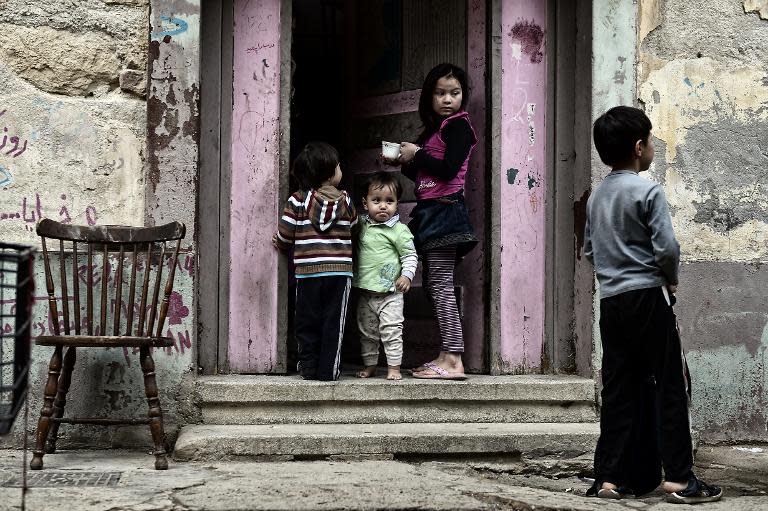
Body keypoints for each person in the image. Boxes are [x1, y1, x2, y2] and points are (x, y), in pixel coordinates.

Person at [584, 106, 722, 504]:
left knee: (619, 388)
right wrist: (670, 277)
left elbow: (590, 249)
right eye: (651, 142)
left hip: (612, 303)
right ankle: (679, 478)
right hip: (648, 297)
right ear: (639, 147)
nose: (653, 149)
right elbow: (667, 247)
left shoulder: (598, 196)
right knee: (670, 386)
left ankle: (610, 478)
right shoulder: (648, 191)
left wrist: (614, 274)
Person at [387, 62, 477, 381]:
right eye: (440, 93)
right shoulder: (437, 130)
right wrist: (403, 163)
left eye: (454, 93)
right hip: (432, 212)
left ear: (463, 96)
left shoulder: (459, 127)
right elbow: (426, 174)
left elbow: (449, 170)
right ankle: (445, 354)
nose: (447, 99)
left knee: (440, 286)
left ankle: (453, 359)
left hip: (446, 212)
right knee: (436, 285)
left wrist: (417, 154)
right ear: (429, 97)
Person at [272, 142, 357, 381]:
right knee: (334, 322)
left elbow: (285, 235)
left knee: (306, 321)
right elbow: (353, 225)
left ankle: (308, 367)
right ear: (330, 174)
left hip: (307, 273)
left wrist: (279, 242)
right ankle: (328, 370)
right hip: (339, 273)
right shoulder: (347, 201)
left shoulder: (297, 201)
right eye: (339, 166)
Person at [353, 172, 418, 381]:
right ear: (365, 203)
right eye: (376, 200)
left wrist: (407, 276)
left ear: (397, 204)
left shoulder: (399, 231)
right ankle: (370, 366)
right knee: (368, 333)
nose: (383, 206)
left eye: (389, 201)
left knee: (391, 332)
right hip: (366, 293)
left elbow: (409, 255)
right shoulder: (361, 225)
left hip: (391, 294)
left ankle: (394, 369)